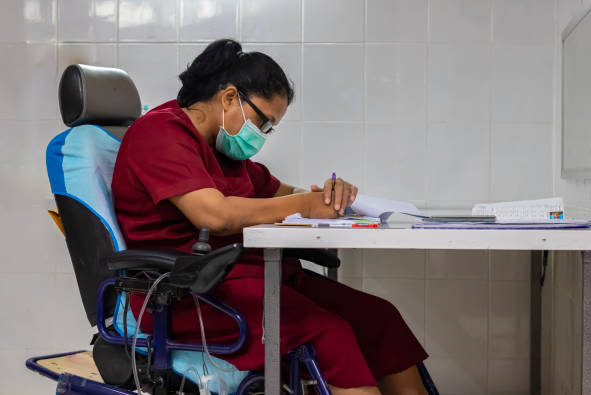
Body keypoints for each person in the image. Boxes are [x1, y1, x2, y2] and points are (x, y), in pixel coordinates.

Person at [112, 38, 428, 395]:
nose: (261, 135)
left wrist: (327, 193)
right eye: (263, 122)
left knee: (379, 319)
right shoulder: (159, 134)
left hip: (252, 277)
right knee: (330, 332)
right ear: (229, 97)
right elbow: (215, 215)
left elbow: (285, 194)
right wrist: (304, 205)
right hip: (188, 293)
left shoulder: (225, 150)